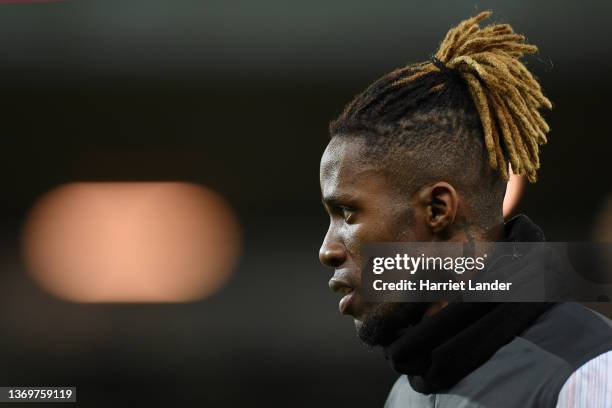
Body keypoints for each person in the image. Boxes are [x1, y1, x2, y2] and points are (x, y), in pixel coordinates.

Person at [318, 11, 612, 408]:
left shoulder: (588, 373)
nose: (328, 249)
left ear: (438, 209)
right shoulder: (406, 393)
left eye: (347, 213)